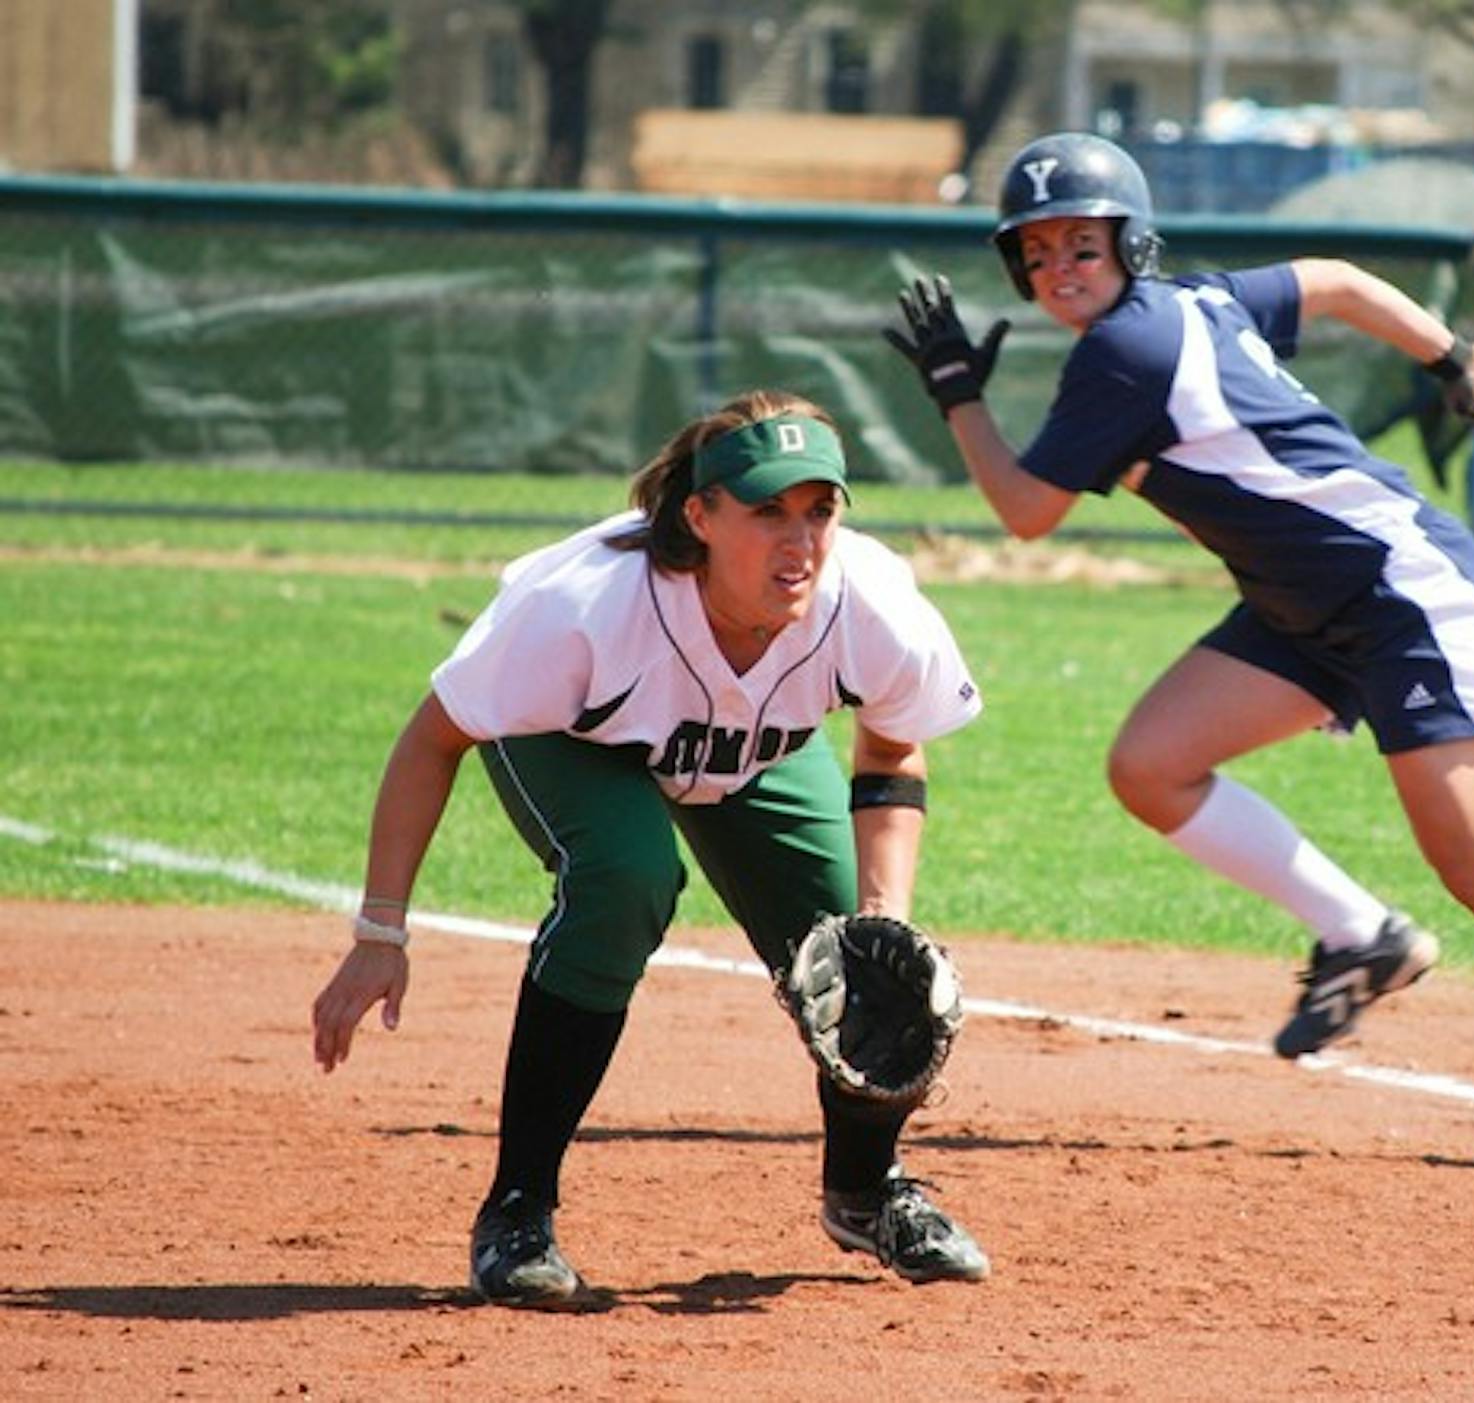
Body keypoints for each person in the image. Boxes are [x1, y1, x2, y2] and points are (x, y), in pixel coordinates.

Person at [882, 131, 1474, 1171]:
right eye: (1035, 254)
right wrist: (1445, 356)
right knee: (1151, 765)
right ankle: (1362, 936)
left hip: (1400, 593)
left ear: (1132, 245)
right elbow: (1343, 284)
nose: (1056, 270)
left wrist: (956, 394)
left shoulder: (1123, 350)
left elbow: (1024, 509)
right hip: (1301, 606)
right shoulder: (1202, 302)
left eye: (1080, 244)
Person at [310, 389, 991, 1307]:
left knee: (865, 963)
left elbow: (892, 746)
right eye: (767, 511)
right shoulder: (583, 604)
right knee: (627, 877)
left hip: (758, 756)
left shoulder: (869, 600)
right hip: (575, 739)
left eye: (819, 510)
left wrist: (884, 915)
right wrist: (379, 929)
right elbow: (435, 736)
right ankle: (517, 1211)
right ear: (699, 515)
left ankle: (867, 1192)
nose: (800, 540)